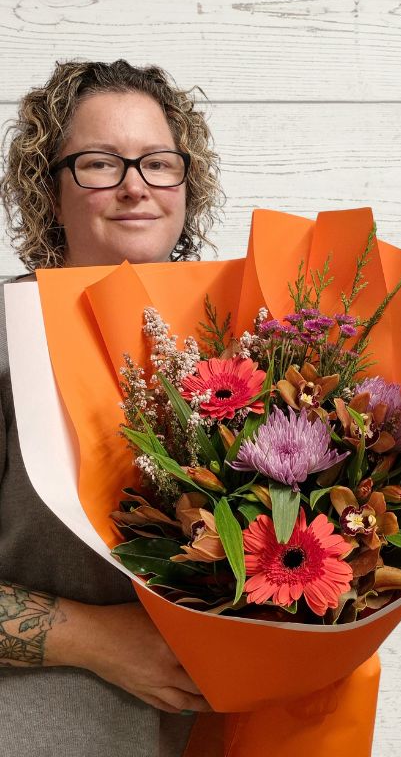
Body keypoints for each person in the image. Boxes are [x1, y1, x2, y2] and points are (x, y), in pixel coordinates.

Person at [0, 59, 225, 756]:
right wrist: (96, 640)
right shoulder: (7, 342)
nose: (135, 186)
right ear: (49, 189)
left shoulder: (248, 342)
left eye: (158, 162)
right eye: (100, 163)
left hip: (225, 733)